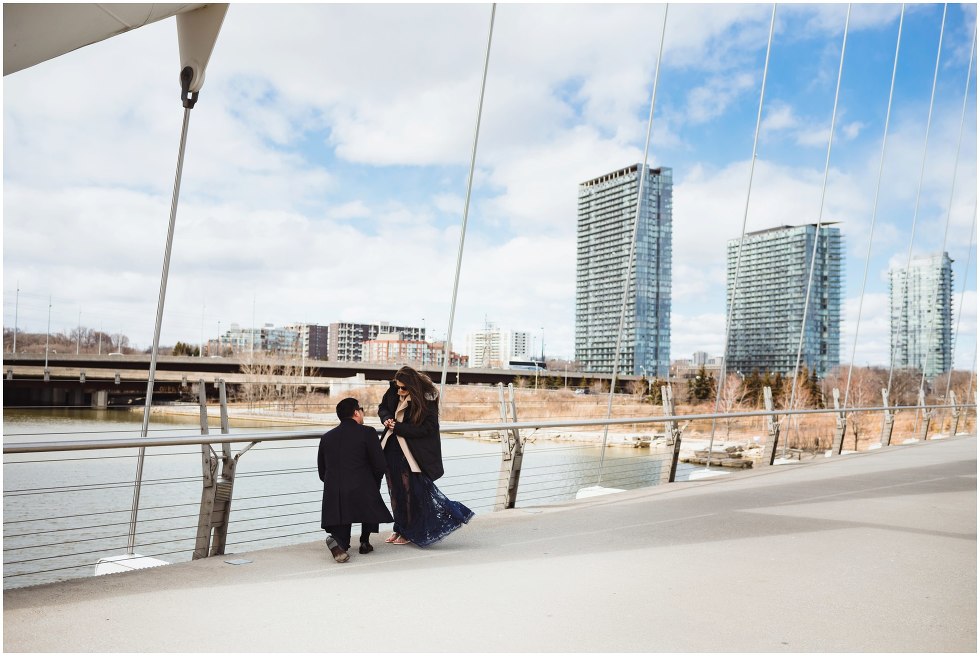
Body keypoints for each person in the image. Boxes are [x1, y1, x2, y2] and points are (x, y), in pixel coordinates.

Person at [378, 366, 473, 547]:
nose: (399, 391)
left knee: (412, 493)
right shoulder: (393, 389)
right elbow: (382, 407)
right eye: (398, 387)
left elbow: (427, 429)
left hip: (413, 452)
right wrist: (387, 418)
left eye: (403, 388)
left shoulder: (428, 397)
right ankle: (399, 528)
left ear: (413, 386)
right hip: (391, 447)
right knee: (395, 491)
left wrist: (398, 427)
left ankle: (409, 530)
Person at [318, 397, 393, 563]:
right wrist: (372, 482)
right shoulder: (368, 432)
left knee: (343, 499)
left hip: (335, 493)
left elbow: (322, 472)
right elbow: (380, 465)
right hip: (362, 490)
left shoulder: (327, 437)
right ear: (356, 413)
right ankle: (365, 542)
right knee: (369, 492)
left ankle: (339, 544)